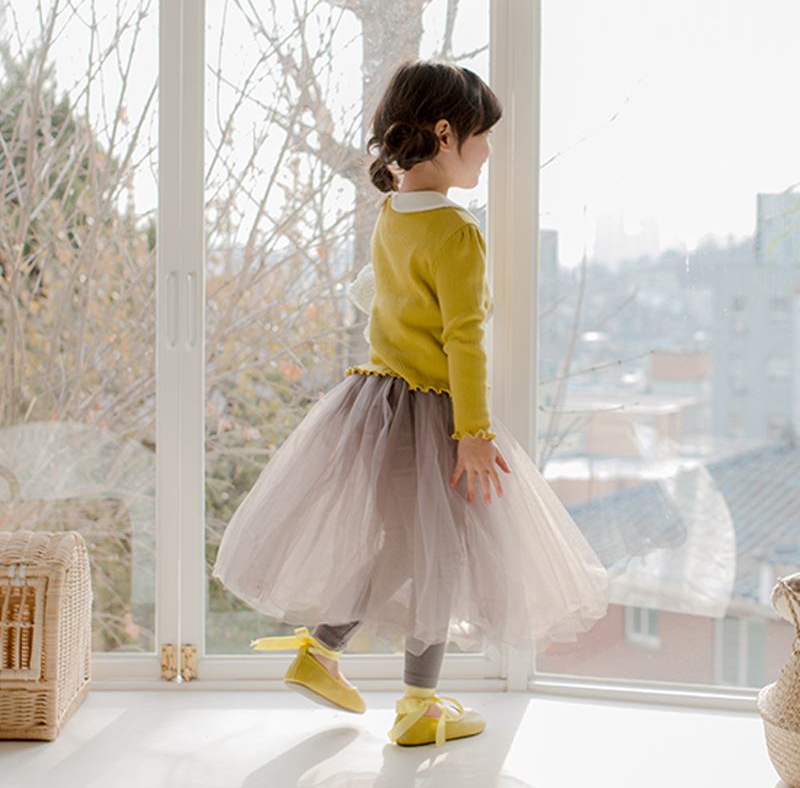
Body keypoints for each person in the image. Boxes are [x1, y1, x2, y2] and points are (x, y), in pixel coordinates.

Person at [213, 60, 609, 747]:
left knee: (406, 544)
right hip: (432, 413)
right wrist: (476, 432)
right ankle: (419, 704)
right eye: (482, 138)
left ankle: (326, 650)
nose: (488, 153)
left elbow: (377, 297)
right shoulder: (457, 233)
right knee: (440, 556)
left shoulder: (394, 213)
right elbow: (465, 342)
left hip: (375, 404)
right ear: (446, 132)